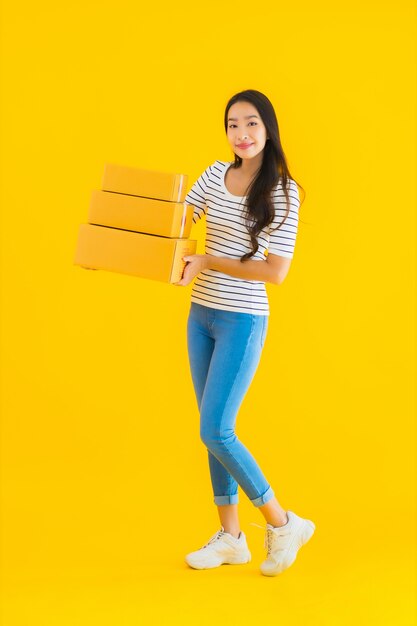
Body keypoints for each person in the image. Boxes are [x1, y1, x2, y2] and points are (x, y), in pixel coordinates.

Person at [174, 89, 315, 576]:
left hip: (242, 319)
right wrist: (118, 247)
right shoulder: (214, 175)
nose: (242, 134)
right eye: (233, 124)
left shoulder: (283, 191)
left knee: (216, 428)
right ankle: (231, 537)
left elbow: (275, 272)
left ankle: (282, 523)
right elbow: (174, 221)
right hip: (201, 316)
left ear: (269, 128)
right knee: (212, 436)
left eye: (251, 123)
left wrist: (208, 259)